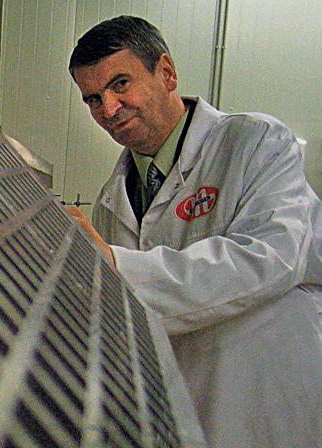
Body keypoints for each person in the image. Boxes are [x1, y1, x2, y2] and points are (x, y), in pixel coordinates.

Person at [66, 15, 322, 448]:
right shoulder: (113, 198)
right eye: (93, 99)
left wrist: (117, 266)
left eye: (120, 84)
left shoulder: (256, 143)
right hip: (180, 412)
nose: (108, 109)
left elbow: (272, 257)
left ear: (166, 73)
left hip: (267, 402)